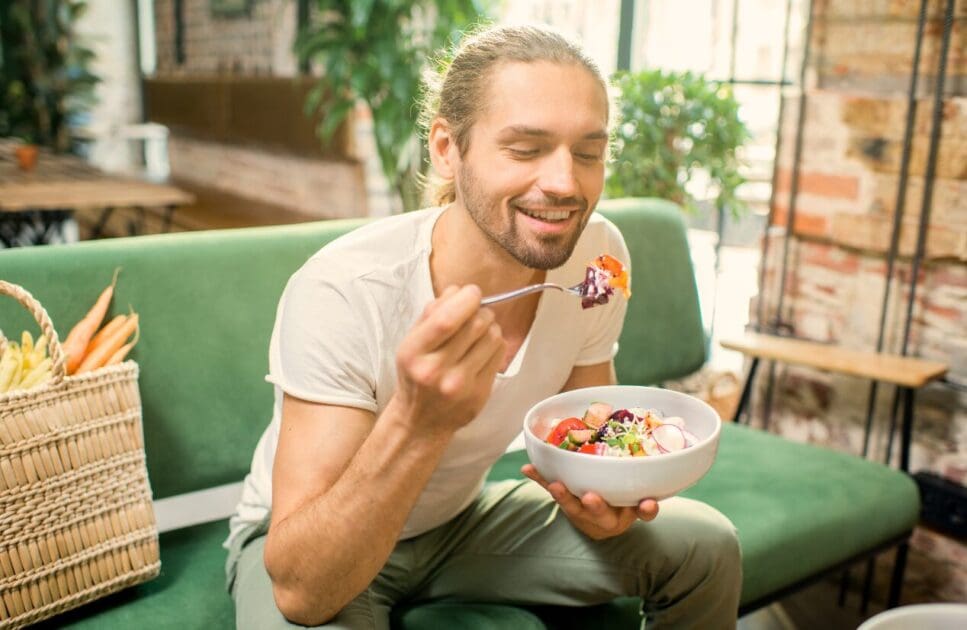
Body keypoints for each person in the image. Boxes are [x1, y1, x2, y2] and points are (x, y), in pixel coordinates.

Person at [224, 23, 742, 630]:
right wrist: (418, 420)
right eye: (525, 149)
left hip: (458, 525)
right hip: (315, 540)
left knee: (707, 546)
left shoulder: (596, 259)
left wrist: (603, 498)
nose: (565, 184)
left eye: (588, 153)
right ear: (447, 148)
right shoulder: (345, 289)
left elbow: (588, 430)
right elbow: (302, 592)